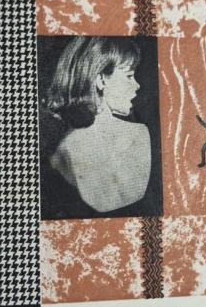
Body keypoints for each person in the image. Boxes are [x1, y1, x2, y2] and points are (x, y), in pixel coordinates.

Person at [43, 37, 151, 214]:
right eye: (129, 76)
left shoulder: (63, 150)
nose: (137, 85)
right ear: (101, 80)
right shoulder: (138, 135)